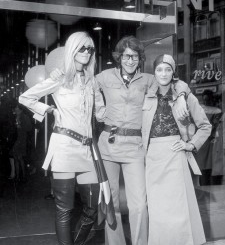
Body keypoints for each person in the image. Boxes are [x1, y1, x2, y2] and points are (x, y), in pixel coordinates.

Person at [51, 35, 190, 245]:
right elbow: (78, 79)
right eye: (126, 56)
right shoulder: (103, 77)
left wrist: (180, 96)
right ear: (119, 57)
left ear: (140, 58)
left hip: (135, 148)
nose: (130, 61)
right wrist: (59, 74)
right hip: (108, 145)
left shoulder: (149, 80)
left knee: (139, 205)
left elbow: (174, 82)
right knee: (111, 203)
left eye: (134, 56)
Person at [19, 31, 114, 245]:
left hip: (88, 150)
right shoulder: (59, 78)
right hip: (64, 148)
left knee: (92, 207)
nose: (87, 53)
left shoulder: (91, 81)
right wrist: (49, 109)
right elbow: (25, 97)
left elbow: (100, 113)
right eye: (82, 48)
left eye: (90, 49)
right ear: (72, 50)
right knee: (64, 209)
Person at [142, 54, 211, 245]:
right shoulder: (146, 94)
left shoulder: (186, 96)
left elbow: (205, 126)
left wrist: (190, 144)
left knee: (179, 211)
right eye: (159, 69)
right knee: (157, 212)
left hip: (175, 156)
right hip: (152, 158)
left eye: (168, 69)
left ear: (173, 72)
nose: (163, 73)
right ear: (153, 72)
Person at [9, 102, 32, 182]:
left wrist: (20, 126)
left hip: (21, 139)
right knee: (17, 158)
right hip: (16, 139)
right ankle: (19, 176)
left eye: (17, 109)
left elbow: (29, 128)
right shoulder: (15, 117)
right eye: (15, 109)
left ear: (20, 109)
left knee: (19, 158)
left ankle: (22, 176)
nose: (15, 110)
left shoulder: (24, 117)